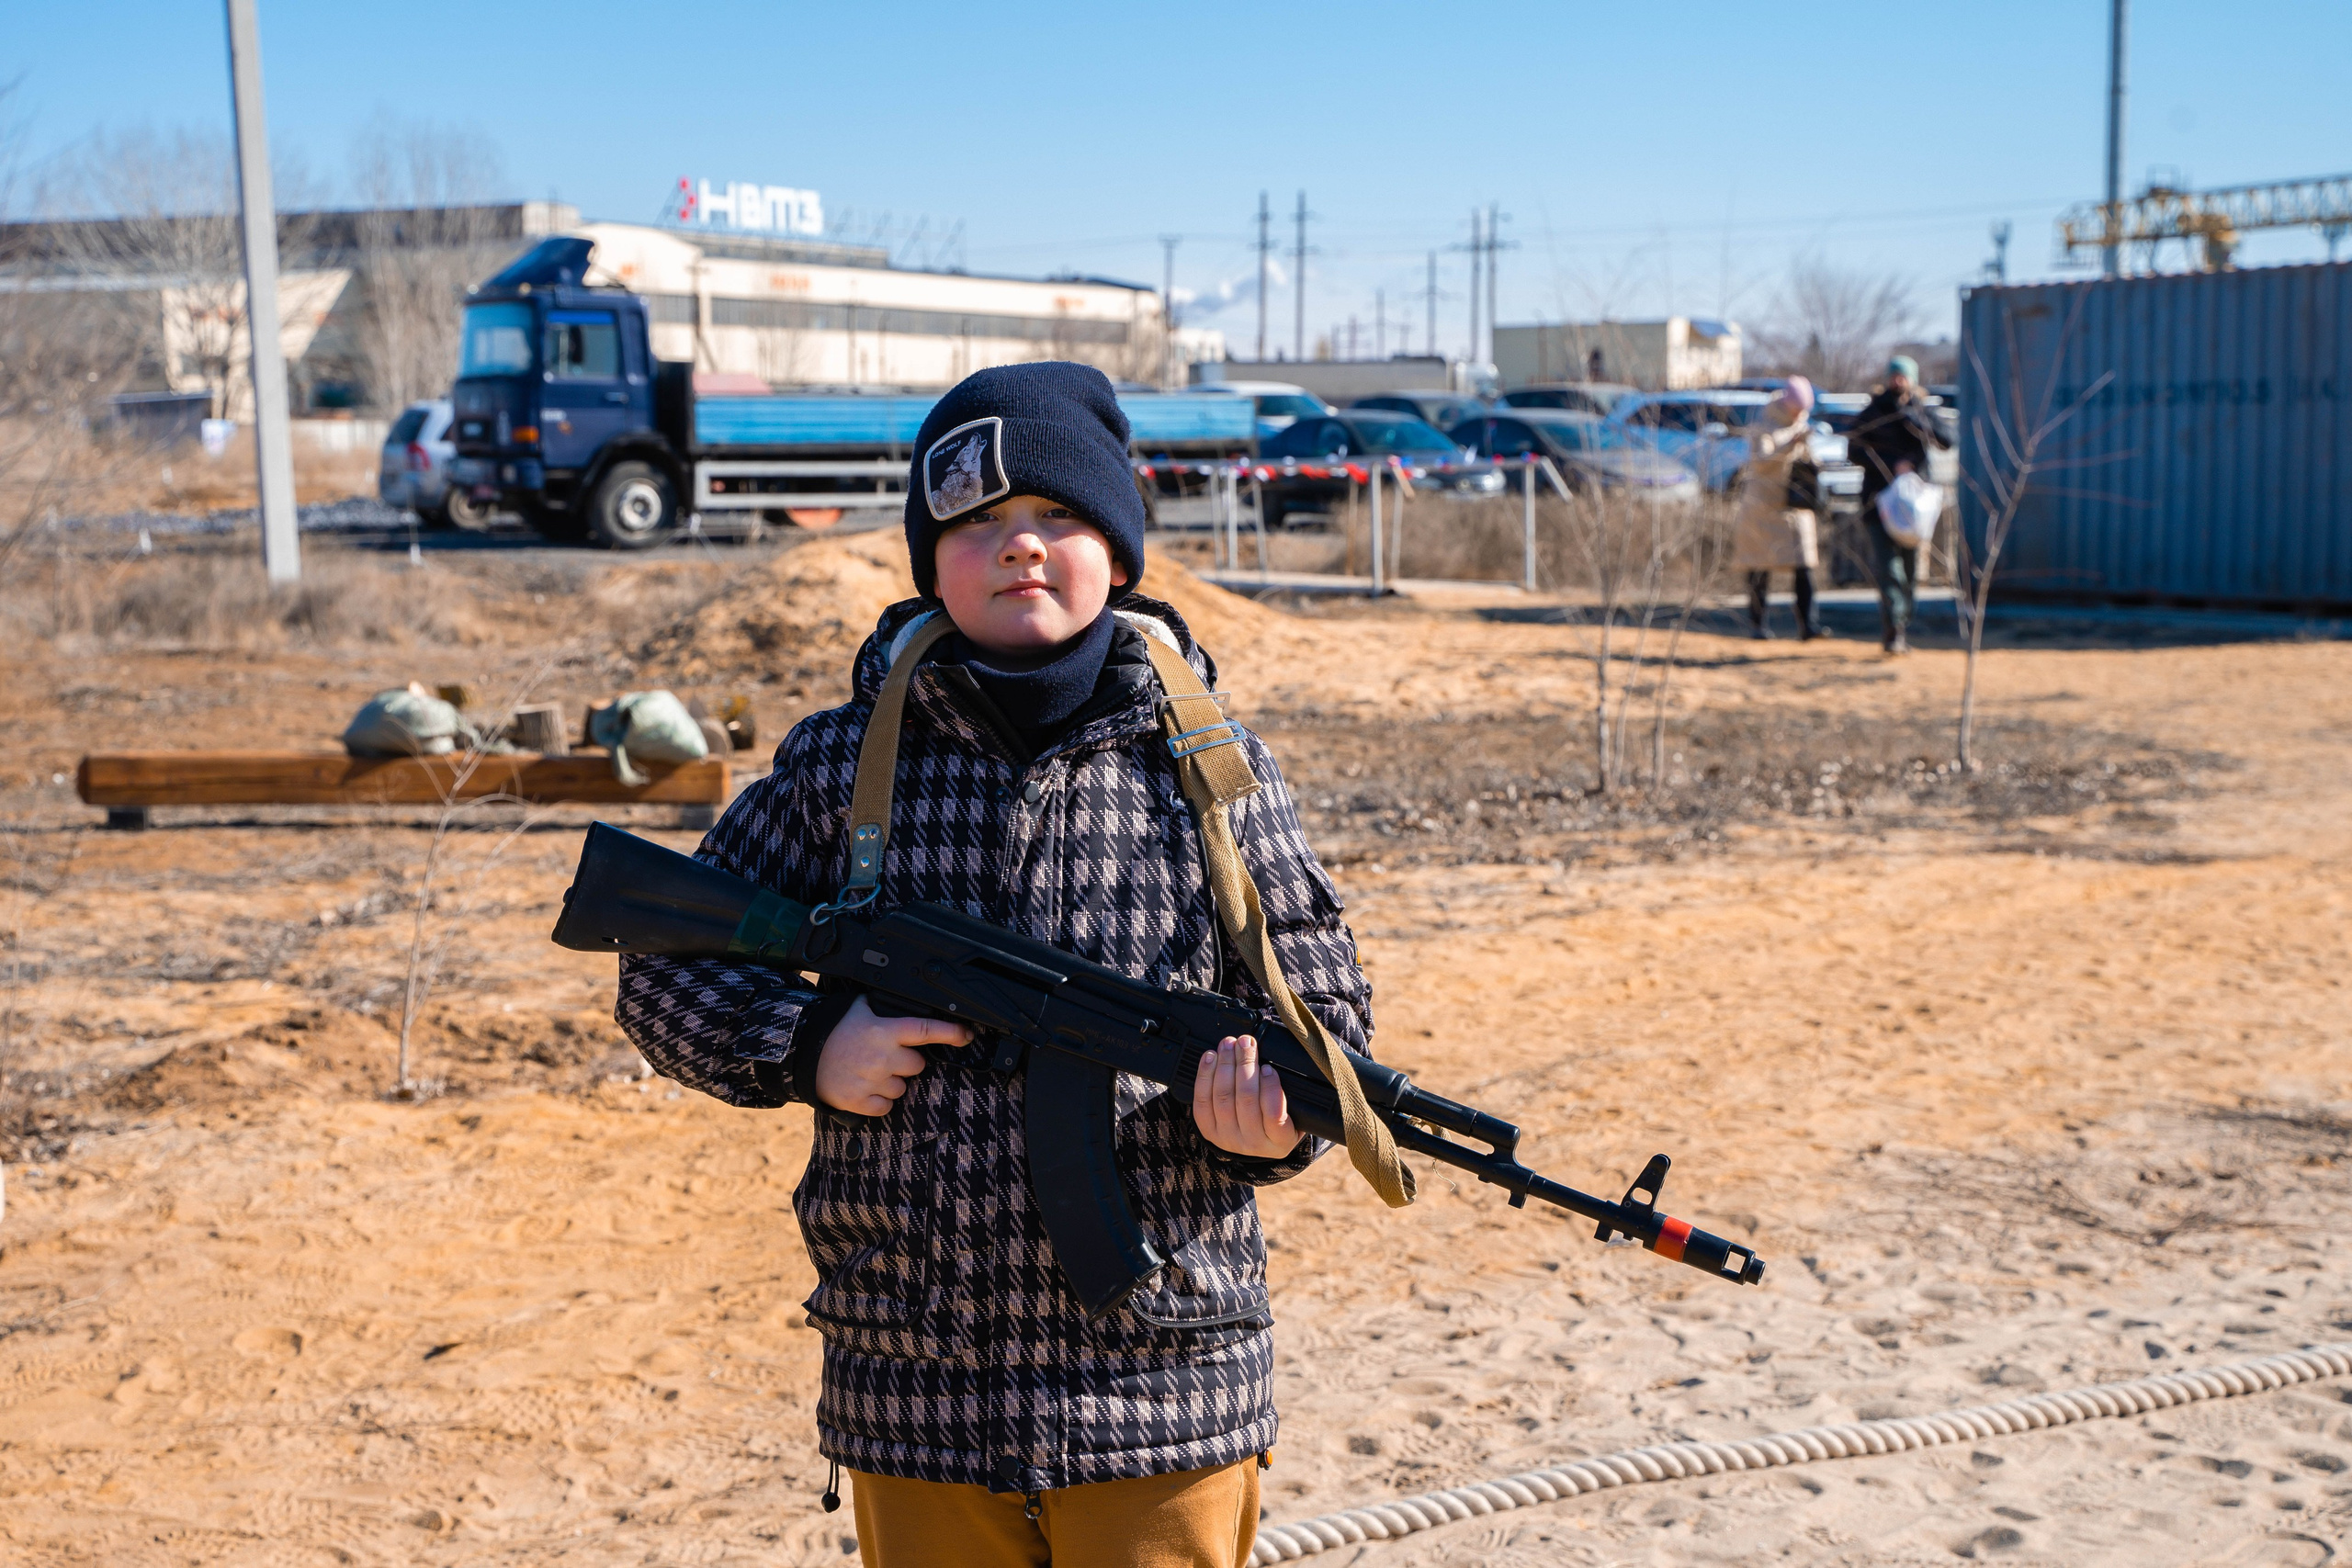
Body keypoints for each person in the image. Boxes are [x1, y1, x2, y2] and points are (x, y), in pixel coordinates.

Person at [614, 361, 1372, 1568]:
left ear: (1118, 549)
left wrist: (1270, 1125)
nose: (1020, 545)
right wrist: (807, 1046)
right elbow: (662, 958)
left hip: (1163, 1382)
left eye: (1058, 515)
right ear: (930, 562)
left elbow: (1324, 1009)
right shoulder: (841, 764)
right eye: (976, 522)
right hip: (915, 1377)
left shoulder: (1213, 766)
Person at [1848, 354, 1951, 654]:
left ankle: (1902, 621)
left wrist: (1914, 419)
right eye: (1894, 375)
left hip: (1914, 508)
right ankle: (1893, 631)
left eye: (1903, 376)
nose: (1898, 381)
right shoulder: (1873, 412)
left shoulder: (1921, 411)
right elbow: (1853, 449)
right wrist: (1892, 464)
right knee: (1890, 569)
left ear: (1913, 379)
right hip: (1878, 502)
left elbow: (1948, 440)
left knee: (1909, 570)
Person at [1730, 377, 1823, 640]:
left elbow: (1808, 461)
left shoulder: (1801, 424)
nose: (1798, 414)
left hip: (1795, 506)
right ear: (1786, 404)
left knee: (1804, 567)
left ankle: (1809, 625)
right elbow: (1760, 462)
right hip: (1762, 507)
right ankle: (1758, 625)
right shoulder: (1764, 425)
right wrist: (1789, 445)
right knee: (1759, 567)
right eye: (1796, 409)